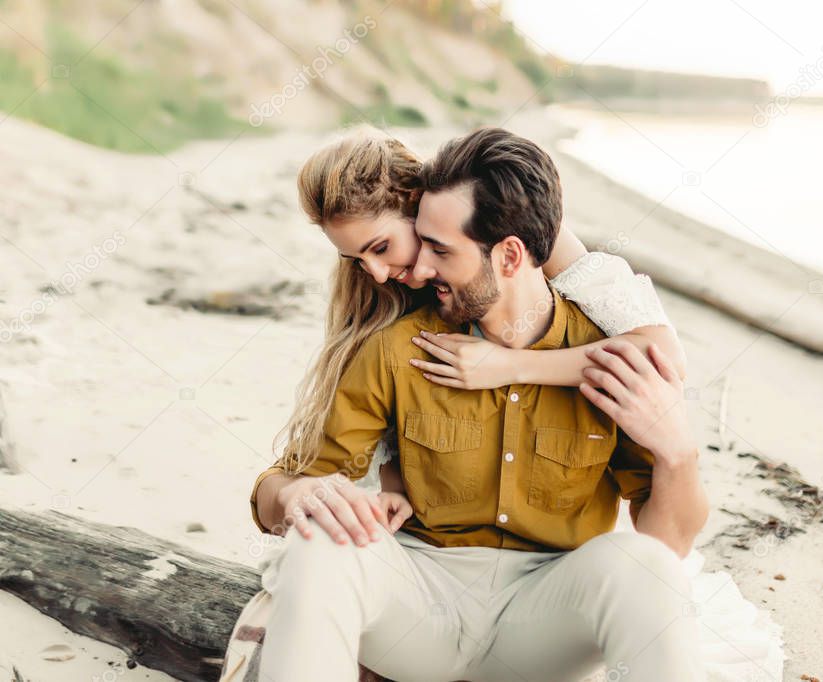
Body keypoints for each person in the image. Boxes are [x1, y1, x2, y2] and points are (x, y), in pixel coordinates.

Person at [221, 127, 785, 682]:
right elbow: (292, 481)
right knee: (318, 543)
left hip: (546, 621)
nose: (419, 270)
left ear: (510, 255)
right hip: (422, 608)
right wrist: (304, 493)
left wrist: (678, 456)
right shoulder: (395, 348)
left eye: (438, 249)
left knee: (648, 568)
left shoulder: (612, 357)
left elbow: (669, 542)